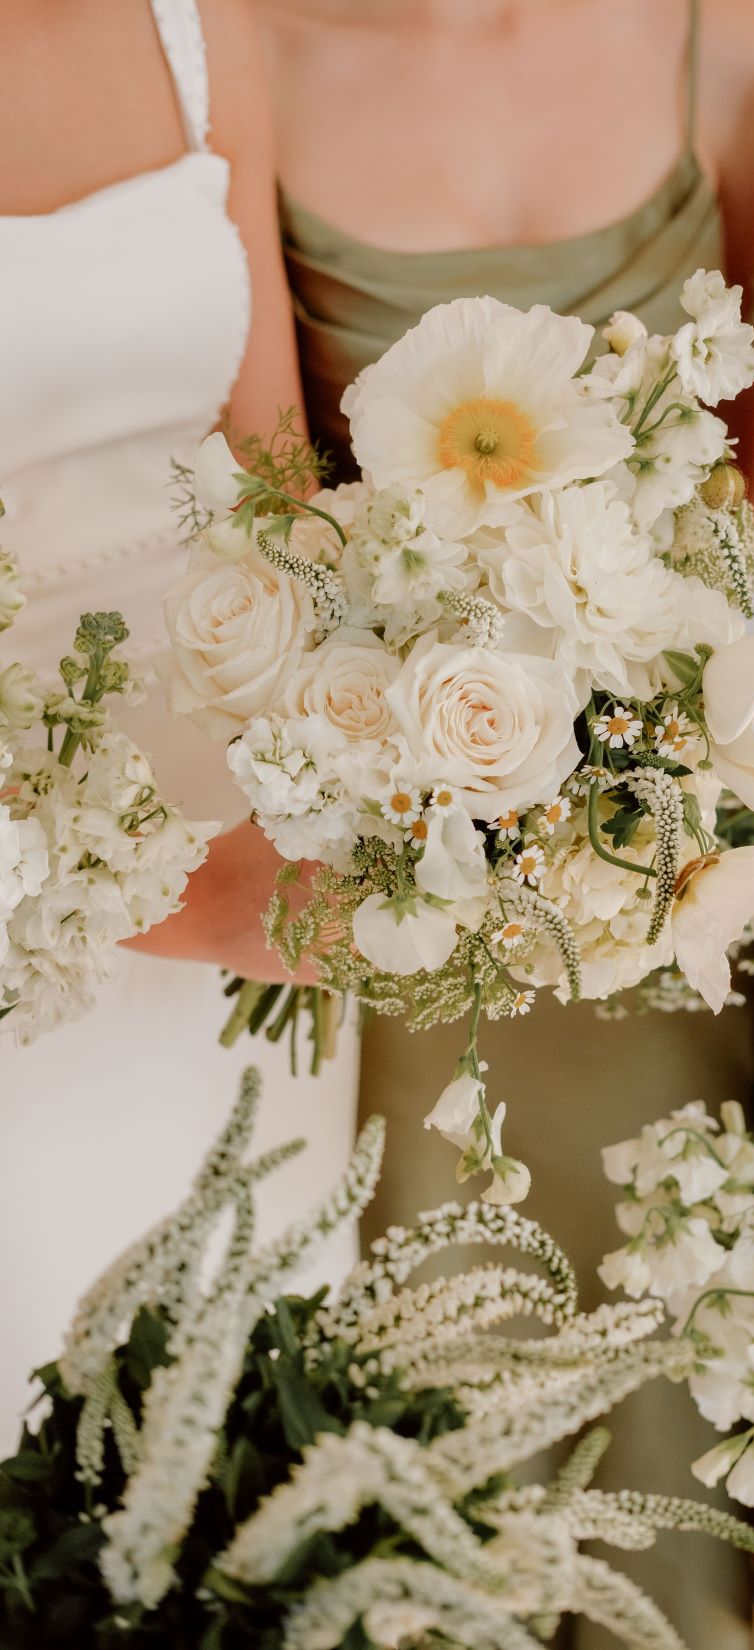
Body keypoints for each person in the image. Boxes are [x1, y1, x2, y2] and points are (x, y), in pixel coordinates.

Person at [257, 2, 754, 1643]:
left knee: (684, 1408)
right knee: (445, 1399)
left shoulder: (717, 36)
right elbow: (274, 520)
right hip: (418, 899)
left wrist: (691, 783)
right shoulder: (253, 51)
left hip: (676, 877)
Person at [0, 0, 359, 1446]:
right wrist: (181, 896)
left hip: (262, 844)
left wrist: (385, 757)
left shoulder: (201, 25)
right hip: (44, 904)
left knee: (250, 1409)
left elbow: (275, 481)